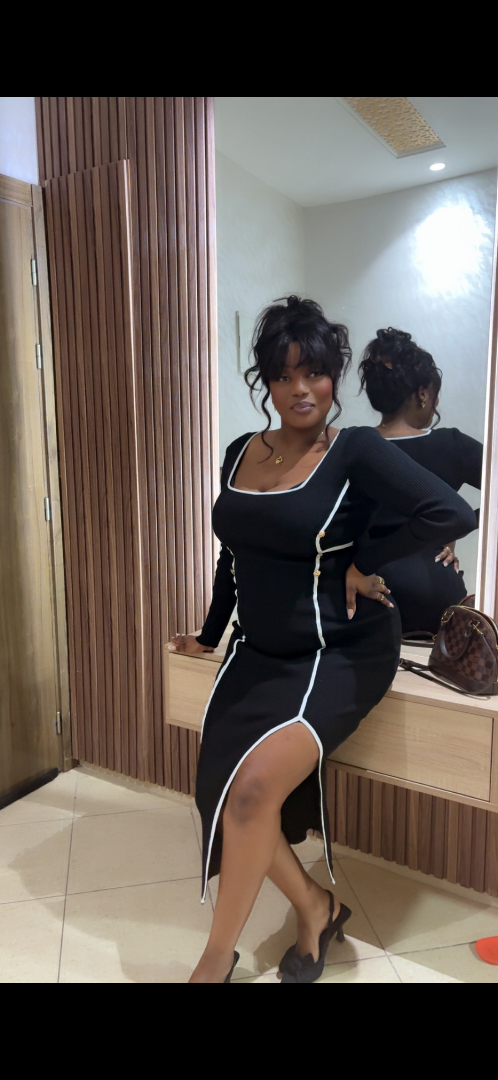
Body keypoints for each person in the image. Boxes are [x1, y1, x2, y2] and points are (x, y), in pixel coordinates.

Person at [170, 297, 475, 983]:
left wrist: (362, 559)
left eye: (314, 373)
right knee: (227, 794)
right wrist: (209, 635)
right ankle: (315, 907)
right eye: (283, 376)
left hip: (338, 651)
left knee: (251, 793)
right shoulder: (240, 452)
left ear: (334, 376)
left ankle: (214, 962)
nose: (300, 389)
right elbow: (234, 555)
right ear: (266, 382)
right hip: (256, 653)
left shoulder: (353, 448)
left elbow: (450, 511)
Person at [358, 328, 483, 635]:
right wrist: (458, 525)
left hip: (367, 599)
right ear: (423, 393)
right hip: (437, 602)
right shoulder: (452, 445)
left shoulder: (353, 446)